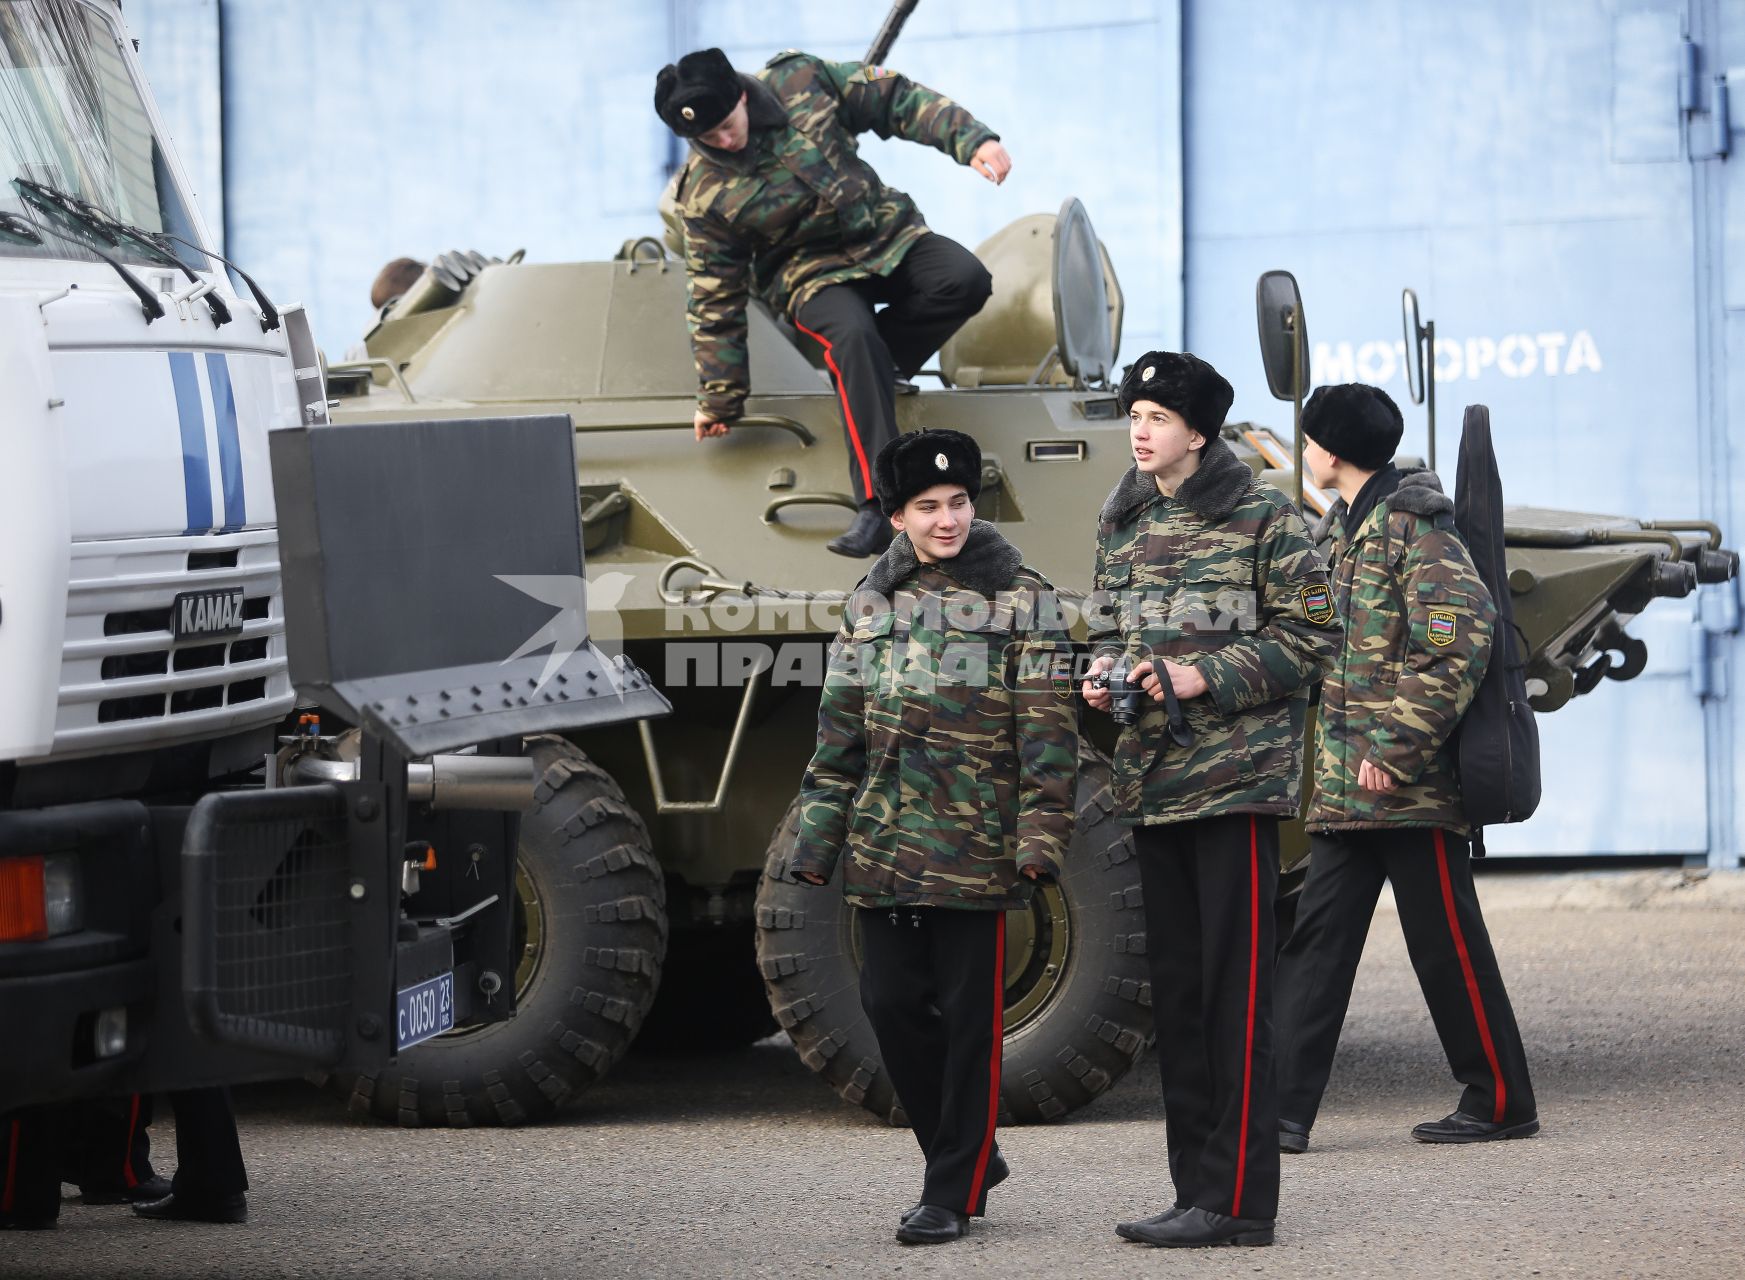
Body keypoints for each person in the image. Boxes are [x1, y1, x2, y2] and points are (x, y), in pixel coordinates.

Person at [782, 428, 1077, 1245]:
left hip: (976, 846)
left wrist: (1040, 837)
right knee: (889, 1007)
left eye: (956, 504)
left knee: (972, 1026)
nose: (946, 520)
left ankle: (949, 1187)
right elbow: (835, 739)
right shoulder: (867, 601)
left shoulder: (1023, 596)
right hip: (883, 843)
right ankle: (967, 1151)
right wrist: (816, 843)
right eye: (927, 507)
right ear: (896, 514)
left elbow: (1050, 738)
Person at [1082, 352, 1339, 1249]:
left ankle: (1238, 1203)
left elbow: (1313, 635)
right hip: (1152, 785)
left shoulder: (1262, 511)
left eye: (1156, 416)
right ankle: (1195, 1190)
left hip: (1235, 786)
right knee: (1182, 1002)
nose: (1139, 429)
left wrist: (1200, 674)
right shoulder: (1124, 515)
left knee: (1233, 1001)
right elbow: (1112, 625)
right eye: (1133, 414)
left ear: (1198, 431)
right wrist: (1106, 671)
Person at [1273, 383, 1539, 1153]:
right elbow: (1326, 639)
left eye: (1309, 438)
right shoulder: (1337, 531)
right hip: (1344, 789)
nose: (1304, 450)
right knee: (1315, 947)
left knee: (1445, 946)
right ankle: (1282, 1113)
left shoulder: (1412, 528)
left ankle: (1499, 1100)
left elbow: (1457, 641)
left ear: (1331, 449)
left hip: (1407, 788)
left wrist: (1393, 750)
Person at [653, 48, 1011, 558]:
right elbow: (714, 297)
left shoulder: (802, 79)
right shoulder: (705, 193)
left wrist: (974, 140)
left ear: (741, 93)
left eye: (728, 124)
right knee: (852, 338)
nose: (726, 141)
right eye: (708, 138)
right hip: (809, 274)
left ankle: (864, 370)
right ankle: (877, 505)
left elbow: (896, 100)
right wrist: (719, 398)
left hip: (886, 234)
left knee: (965, 279)